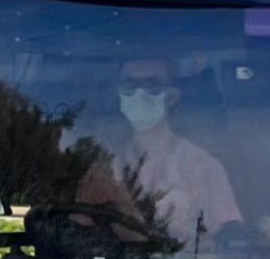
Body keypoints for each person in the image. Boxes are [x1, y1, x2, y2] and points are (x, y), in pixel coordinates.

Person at [80, 57, 245, 243]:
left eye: (152, 85)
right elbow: (81, 234)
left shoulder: (203, 166)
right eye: (130, 85)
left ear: (172, 96)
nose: (139, 94)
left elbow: (229, 244)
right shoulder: (104, 168)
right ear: (119, 94)